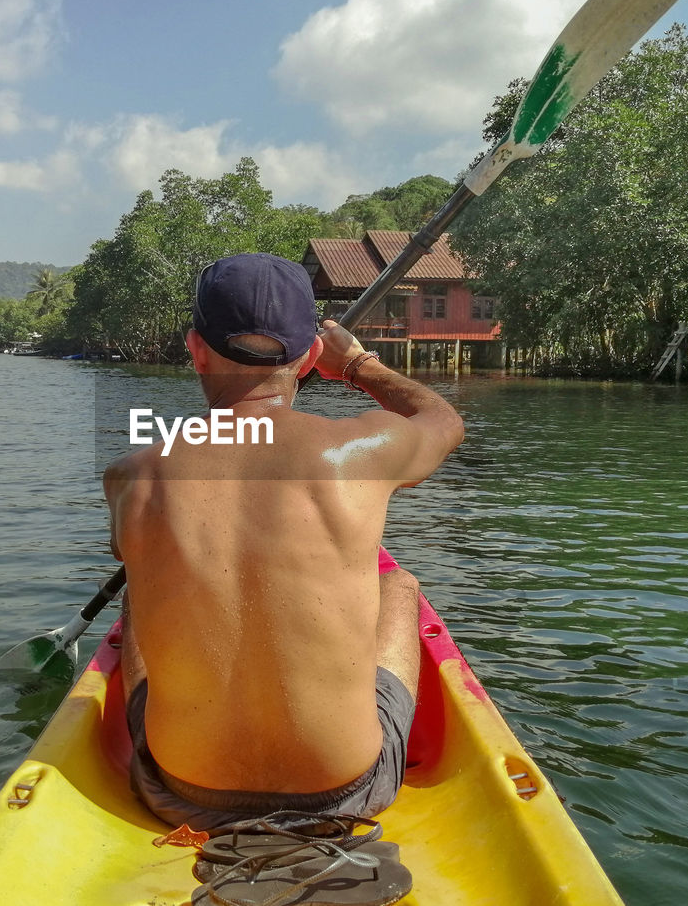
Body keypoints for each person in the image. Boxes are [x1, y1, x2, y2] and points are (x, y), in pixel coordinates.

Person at [102, 252, 464, 829]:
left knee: (137, 601)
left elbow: (130, 551)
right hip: (345, 791)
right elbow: (443, 422)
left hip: (178, 791)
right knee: (397, 585)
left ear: (195, 348)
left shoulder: (128, 477)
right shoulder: (360, 451)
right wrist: (359, 365)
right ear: (310, 357)